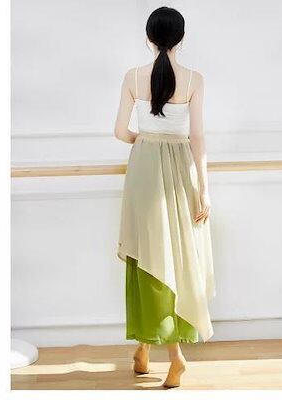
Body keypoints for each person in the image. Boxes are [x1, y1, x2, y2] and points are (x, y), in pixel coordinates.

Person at [115, 6, 215, 388]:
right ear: (181, 39)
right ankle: (150, 351)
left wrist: (145, 141)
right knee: (174, 258)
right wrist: (204, 188)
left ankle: (166, 354)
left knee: (146, 257)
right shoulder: (193, 79)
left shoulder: (132, 77)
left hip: (144, 169)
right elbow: (197, 138)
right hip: (180, 170)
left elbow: (120, 131)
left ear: (148, 38)